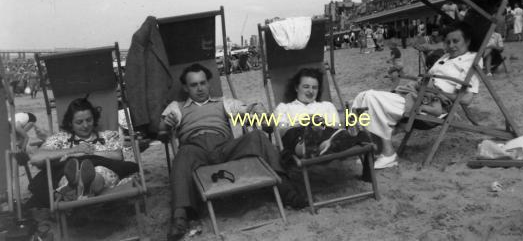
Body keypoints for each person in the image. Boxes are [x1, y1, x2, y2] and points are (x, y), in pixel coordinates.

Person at [159, 63, 306, 241]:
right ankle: (180, 217)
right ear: (185, 87)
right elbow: (162, 128)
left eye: (203, 83)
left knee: (257, 136)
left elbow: (245, 111)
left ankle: (287, 192)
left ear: (209, 83)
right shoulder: (178, 106)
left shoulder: (223, 102)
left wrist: (255, 110)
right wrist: (167, 123)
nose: (199, 88)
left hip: (224, 147)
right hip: (194, 148)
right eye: (194, 85)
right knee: (182, 156)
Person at [351, 21, 481, 169]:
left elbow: (466, 99)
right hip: (414, 91)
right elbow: (429, 76)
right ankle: (376, 149)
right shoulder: (445, 57)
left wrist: (434, 90)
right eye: (448, 41)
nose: (451, 45)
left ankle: (388, 154)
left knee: (370, 98)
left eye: (456, 41)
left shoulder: (471, 60)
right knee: (362, 98)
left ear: (468, 41)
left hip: (427, 102)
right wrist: (422, 80)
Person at [27, 98, 139, 208]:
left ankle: (80, 186)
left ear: (94, 119)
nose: (85, 125)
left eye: (89, 120)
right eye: (79, 122)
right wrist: (74, 150)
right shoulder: (60, 138)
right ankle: (79, 185)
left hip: (102, 169)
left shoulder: (108, 135)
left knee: (98, 171)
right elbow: (36, 158)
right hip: (68, 172)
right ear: (70, 123)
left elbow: (117, 155)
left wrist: (87, 154)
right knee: (70, 174)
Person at [273, 68, 368, 160]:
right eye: (306, 87)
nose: (310, 91)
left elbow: (336, 126)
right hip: (298, 136)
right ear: (297, 88)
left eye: (314, 88)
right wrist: (303, 123)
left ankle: (324, 146)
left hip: (326, 133)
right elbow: (281, 131)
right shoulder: (284, 107)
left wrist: (323, 121)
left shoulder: (327, 105)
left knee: (360, 136)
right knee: (299, 133)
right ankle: (312, 145)